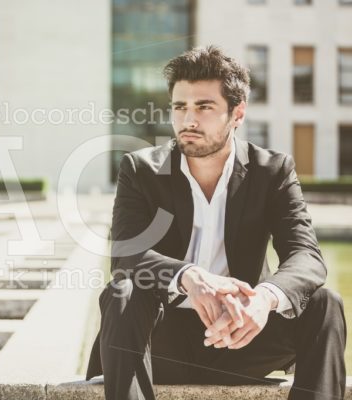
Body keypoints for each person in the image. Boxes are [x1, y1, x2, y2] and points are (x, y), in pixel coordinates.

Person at [84, 45, 347, 400]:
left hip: (242, 335)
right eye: (180, 107)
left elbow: (306, 256)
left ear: (237, 114)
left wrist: (265, 300)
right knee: (122, 291)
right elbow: (127, 254)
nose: (188, 120)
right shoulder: (142, 169)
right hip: (161, 342)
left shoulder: (272, 170)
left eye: (204, 107)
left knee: (325, 304)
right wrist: (189, 277)